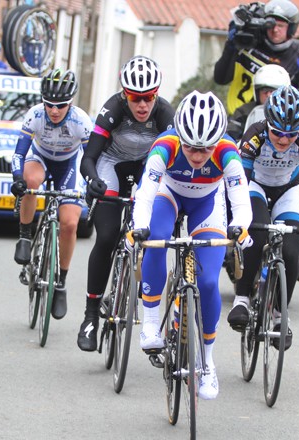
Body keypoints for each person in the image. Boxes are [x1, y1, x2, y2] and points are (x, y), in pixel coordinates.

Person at [128, 91, 253, 400]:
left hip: (207, 205)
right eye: (191, 147)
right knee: (155, 240)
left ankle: (207, 362)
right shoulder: (165, 146)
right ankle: (152, 321)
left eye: (205, 148)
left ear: (218, 141)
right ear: (179, 136)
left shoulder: (228, 151)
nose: (198, 155)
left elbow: (240, 198)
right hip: (168, 195)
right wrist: (139, 228)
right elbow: (145, 193)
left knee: (209, 281)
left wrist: (241, 227)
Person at [76, 55, 175, 352]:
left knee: (148, 234)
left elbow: (174, 162)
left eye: (148, 98)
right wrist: (93, 180)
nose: (143, 105)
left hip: (148, 167)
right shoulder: (112, 109)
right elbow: (89, 158)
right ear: (125, 95)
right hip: (111, 164)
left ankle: (141, 287)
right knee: (106, 236)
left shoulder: (165, 114)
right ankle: (91, 316)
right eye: (135, 98)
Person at [227, 85, 299, 349]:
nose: (284, 140)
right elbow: (237, 181)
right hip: (254, 186)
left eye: (291, 134)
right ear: (268, 124)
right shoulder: (255, 135)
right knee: (256, 234)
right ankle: (242, 299)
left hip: (288, 189)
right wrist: (236, 218)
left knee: (290, 251)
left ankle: (279, 315)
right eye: (277, 133)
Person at [10, 69, 94, 320]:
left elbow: (91, 159)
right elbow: (18, 154)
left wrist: (91, 186)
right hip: (41, 158)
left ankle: (61, 283)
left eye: (61, 106)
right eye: (49, 105)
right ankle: (25, 236)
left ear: (71, 103)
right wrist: (17, 178)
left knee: (69, 223)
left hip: (68, 165)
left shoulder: (81, 121)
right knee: (31, 180)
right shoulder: (35, 115)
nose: (54, 111)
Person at [225, 63, 299, 282]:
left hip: (287, 182)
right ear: (257, 92)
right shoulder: (244, 112)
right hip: (255, 177)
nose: (271, 96)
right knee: (231, 197)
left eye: (276, 91)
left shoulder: (298, 113)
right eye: (266, 91)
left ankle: (296, 249)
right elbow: (229, 134)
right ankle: (232, 244)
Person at [213, 0, 299, 117]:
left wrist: (298, 114)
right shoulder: (247, 44)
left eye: (280, 26)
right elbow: (220, 79)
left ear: (291, 28)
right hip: (238, 119)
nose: (275, 30)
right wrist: (231, 45)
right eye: (271, 25)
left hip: (279, 124)